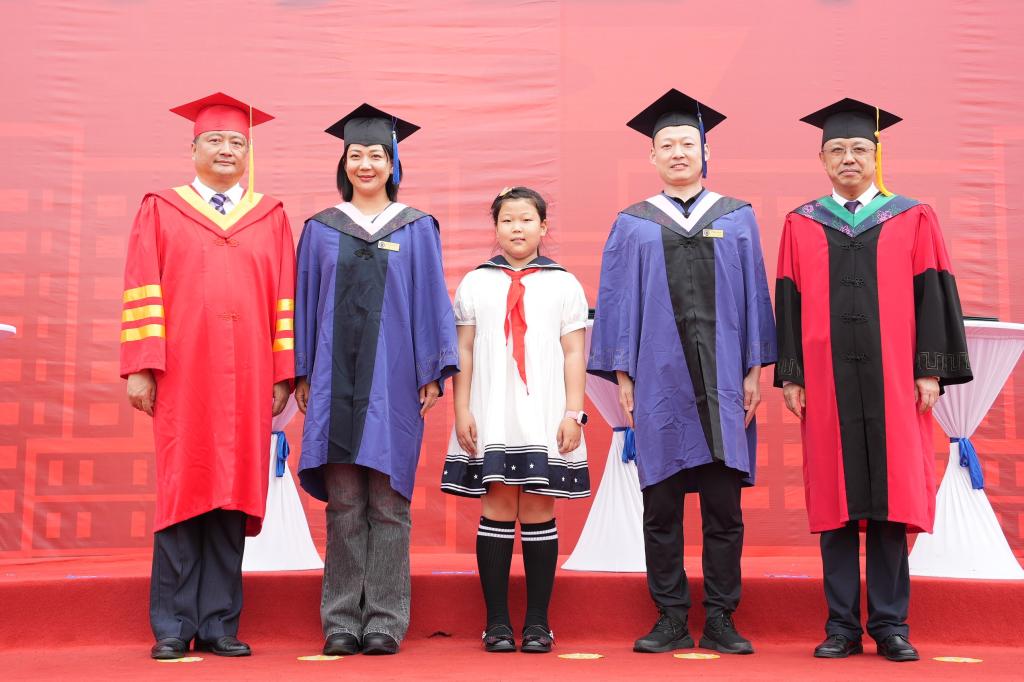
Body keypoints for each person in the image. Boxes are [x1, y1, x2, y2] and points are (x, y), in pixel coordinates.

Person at [774, 97, 973, 662]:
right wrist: (792, 374)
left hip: (896, 381)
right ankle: (840, 626)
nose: (849, 158)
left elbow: (933, 294)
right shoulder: (801, 222)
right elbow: (788, 300)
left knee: (892, 502)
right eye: (837, 149)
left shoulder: (912, 217)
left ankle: (890, 625)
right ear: (821, 159)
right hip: (826, 382)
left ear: (876, 155)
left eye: (860, 148)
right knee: (834, 501)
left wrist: (929, 369)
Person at [588, 89, 776, 655]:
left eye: (687, 143)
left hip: (724, 383)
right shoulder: (633, 223)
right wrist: (623, 375)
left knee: (723, 510)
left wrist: (754, 370)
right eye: (666, 144)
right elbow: (617, 301)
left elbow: (754, 293)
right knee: (662, 507)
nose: (677, 152)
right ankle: (670, 616)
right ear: (651, 155)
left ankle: (720, 617)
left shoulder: (737, 217)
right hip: (659, 381)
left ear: (705, 151)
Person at [120, 92, 295, 660]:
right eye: (215, 140)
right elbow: (142, 287)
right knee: (185, 488)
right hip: (183, 374)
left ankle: (220, 622)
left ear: (248, 153)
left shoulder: (270, 216)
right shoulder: (161, 208)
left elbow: (285, 300)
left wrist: (283, 373)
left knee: (232, 494)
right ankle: (173, 624)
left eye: (237, 142)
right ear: (192, 148)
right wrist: (142, 367)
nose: (227, 149)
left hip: (250, 375)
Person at [294, 104, 459, 656]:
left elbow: (431, 300)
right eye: (356, 155)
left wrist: (432, 370)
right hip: (332, 382)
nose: (365, 164)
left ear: (393, 164)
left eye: (376, 155)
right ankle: (341, 620)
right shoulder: (321, 229)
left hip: (393, 381)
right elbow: (304, 302)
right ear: (343, 163)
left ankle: (386, 620)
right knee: (344, 503)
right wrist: (302, 372)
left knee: (389, 504)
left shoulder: (416, 227)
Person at [440, 187, 590, 654]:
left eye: (526, 219)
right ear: (496, 228)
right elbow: (464, 350)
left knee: (540, 508)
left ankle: (539, 623)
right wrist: (462, 410)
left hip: (545, 409)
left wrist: (573, 413)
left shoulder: (564, 284)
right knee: (499, 506)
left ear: (544, 227)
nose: (517, 228)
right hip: (492, 408)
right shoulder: (475, 282)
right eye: (507, 220)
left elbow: (574, 353)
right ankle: (498, 624)